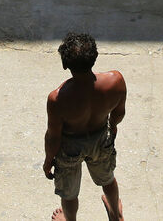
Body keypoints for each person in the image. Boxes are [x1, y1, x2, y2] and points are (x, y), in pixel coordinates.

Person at [43, 32, 126, 221]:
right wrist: (112, 126)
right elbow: (119, 113)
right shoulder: (116, 80)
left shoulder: (57, 99)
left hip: (70, 147)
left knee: (69, 194)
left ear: (65, 65)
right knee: (108, 180)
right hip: (100, 138)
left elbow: (53, 136)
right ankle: (115, 214)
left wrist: (48, 160)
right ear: (94, 57)